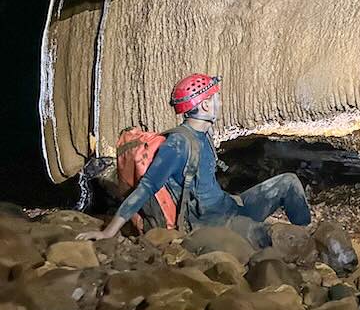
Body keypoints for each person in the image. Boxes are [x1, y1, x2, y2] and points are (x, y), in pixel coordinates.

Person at [77, 74, 310, 243]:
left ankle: (308, 233)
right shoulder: (178, 144)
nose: (219, 103)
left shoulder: (204, 134)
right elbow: (146, 188)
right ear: (206, 104)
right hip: (210, 223)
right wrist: (109, 231)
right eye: (215, 99)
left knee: (288, 182)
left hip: (230, 206)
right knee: (268, 239)